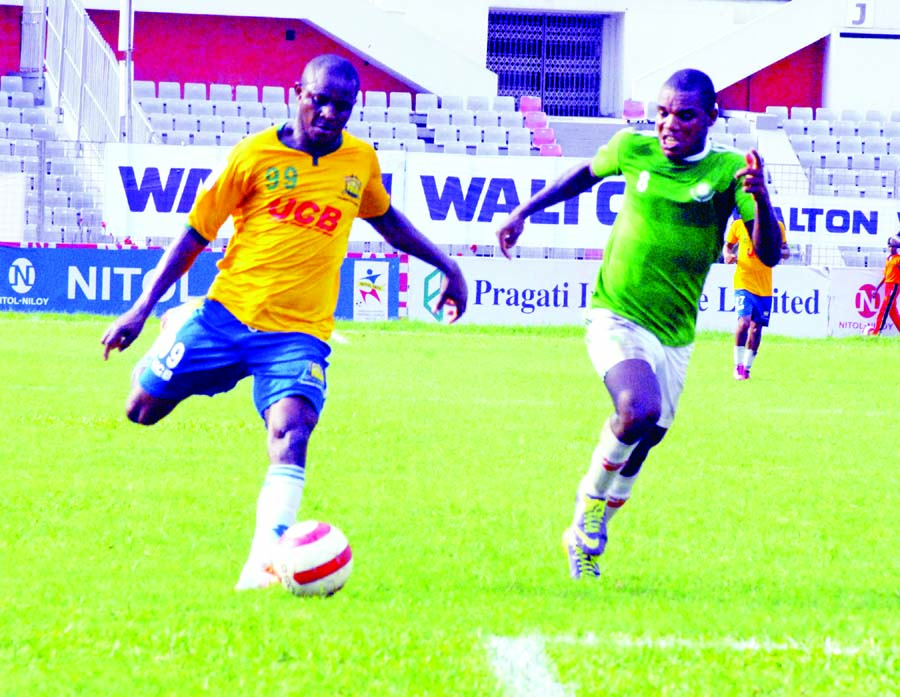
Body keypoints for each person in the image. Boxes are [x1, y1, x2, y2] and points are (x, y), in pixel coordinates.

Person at [101, 54, 468, 591]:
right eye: (317, 99)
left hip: (299, 335)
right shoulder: (253, 156)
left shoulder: (359, 160)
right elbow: (195, 234)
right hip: (225, 316)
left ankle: (265, 562)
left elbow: (385, 218)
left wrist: (447, 264)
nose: (327, 113)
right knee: (141, 410)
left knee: (292, 431)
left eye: (341, 106)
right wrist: (141, 306)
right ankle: (178, 323)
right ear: (295, 92)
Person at [495, 69, 781, 579]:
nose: (670, 125)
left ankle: (588, 531)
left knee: (647, 439)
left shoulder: (730, 171)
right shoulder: (633, 148)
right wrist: (524, 211)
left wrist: (759, 197)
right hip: (616, 311)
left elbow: (769, 253)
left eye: (685, 115)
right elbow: (584, 174)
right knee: (637, 408)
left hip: (674, 331)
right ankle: (587, 512)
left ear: (711, 118)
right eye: (663, 113)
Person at [722, 217, 789, 380]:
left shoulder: (776, 227)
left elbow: (786, 251)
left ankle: (747, 368)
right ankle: (737, 366)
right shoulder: (739, 225)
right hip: (743, 282)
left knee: (756, 328)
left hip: (764, 287)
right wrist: (728, 255)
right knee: (744, 322)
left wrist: (773, 252)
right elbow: (728, 245)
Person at [869, 235, 900, 335]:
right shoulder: (888, 259)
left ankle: (876, 332)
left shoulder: (898, 259)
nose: (891, 248)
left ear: (897, 247)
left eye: (893, 246)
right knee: (892, 313)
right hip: (888, 286)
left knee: (883, 309)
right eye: (890, 246)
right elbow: (886, 276)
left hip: (894, 287)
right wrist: (877, 289)